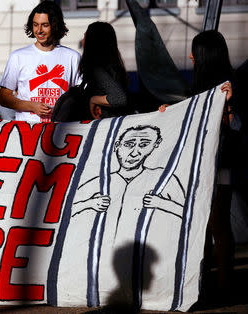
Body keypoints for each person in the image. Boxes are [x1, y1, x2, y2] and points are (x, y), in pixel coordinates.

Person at [159, 30, 239, 299]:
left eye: (195, 51)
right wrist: (168, 113)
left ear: (204, 55)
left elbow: (234, 126)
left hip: (219, 164)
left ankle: (223, 284)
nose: (191, 56)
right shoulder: (203, 88)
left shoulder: (230, 88)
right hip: (206, 164)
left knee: (216, 222)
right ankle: (208, 281)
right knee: (205, 223)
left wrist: (228, 106)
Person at [71, 125, 185, 307]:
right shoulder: (100, 180)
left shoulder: (163, 178)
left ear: (156, 146)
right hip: (103, 268)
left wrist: (162, 204)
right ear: (117, 145)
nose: (134, 152)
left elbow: (190, 215)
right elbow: (64, 213)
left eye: (144, 144)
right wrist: (90, 203)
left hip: (147, 269)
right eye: (129, 144)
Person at [0, 0, 81, 122]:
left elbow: (81, 97)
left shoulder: (72, 57)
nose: (39, 30)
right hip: (28, 132)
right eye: (35, 24)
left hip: (61, 131)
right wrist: (32, 106)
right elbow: (4, 98)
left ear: (55, 25)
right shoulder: (18, 56)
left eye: (45, 25)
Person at [80, 22, 129, 120]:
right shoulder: (112, 67)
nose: (82, 40)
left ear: (93, 41)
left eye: (86, 36)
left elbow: (119, 98)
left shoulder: (98, 70)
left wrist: (93, 100)